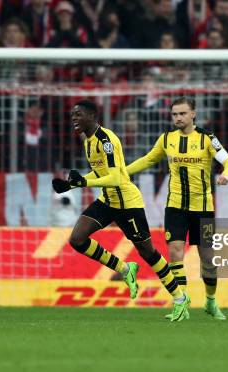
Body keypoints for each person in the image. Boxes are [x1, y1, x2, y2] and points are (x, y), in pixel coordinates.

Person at [52, 100, 190, 321]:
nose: (74, 119)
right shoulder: (86, 140)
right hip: (107, 200)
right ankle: (125, 270)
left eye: (78, 115)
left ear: (91, 116)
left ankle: (180, 298)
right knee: (77, 239)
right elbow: (101, 174)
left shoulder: (106, 140)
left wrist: (83, 184)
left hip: (127, 204)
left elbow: (116, 177)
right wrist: (72, 184)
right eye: (72, 115)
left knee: (149, 252)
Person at [126, 97, 228, 320]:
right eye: (175, 114)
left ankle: (211, 302)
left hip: (203, 209)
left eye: (183, 113)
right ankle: (181, 303)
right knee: (175, 253)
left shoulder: (207, 138)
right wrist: (123, 172)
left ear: (193, 114)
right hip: (175, 206)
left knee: (208, 259)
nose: (178, 118)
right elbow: (148, 160)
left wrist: (226, 174)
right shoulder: (167, 139)